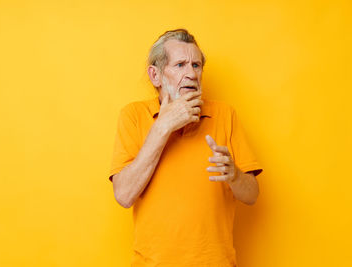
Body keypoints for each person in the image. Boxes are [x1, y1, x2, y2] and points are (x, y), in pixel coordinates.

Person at [108, 29, 263, 267]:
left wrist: (234, 175)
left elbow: (252, 194)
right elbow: (124, 195)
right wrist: (163, 126)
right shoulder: (133, 116)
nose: (191, 73)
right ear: (155, 75)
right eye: (180, 65)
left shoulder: (225, 115)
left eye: (196, 65)